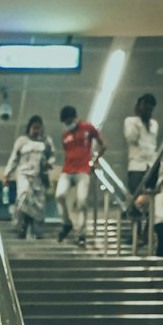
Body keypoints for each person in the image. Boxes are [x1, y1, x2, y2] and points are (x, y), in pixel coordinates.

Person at [55, 105, 106, 247]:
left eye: (69, 120)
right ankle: (67, 223)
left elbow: (103, 144)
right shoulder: (65, 136)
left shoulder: (87, 128)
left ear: (74, 117)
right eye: (65, 122)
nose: (67, 124)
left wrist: (95, 162)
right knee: (59, 195)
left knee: (82, 201)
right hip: (67, 170)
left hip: (83, 171)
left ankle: (81, 234)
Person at [2, 115, 56, 239]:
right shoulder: (22, 141)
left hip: (39, 176)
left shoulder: (47, 141)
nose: (36, 130)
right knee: (24, 196)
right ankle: (21, 225)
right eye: (34, 128)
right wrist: (7, 174)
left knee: (38, 203)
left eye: (39, 128)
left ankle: (35, 229)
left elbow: (52, 156)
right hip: (24, 174)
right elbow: (14, 159)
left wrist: (49, 163)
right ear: (29, 128)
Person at [124, 93, 158, 245]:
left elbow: (152, 144)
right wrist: (139, 121)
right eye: (145, 107)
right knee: (135, 199)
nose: (147, 111)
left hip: (151, 165)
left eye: (150, 108)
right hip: (136, 165)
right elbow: (131, 138)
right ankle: (136, 233)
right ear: (138, 106)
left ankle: (147, 233)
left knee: (153, 200)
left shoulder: (154, 124)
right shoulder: (130, 121)